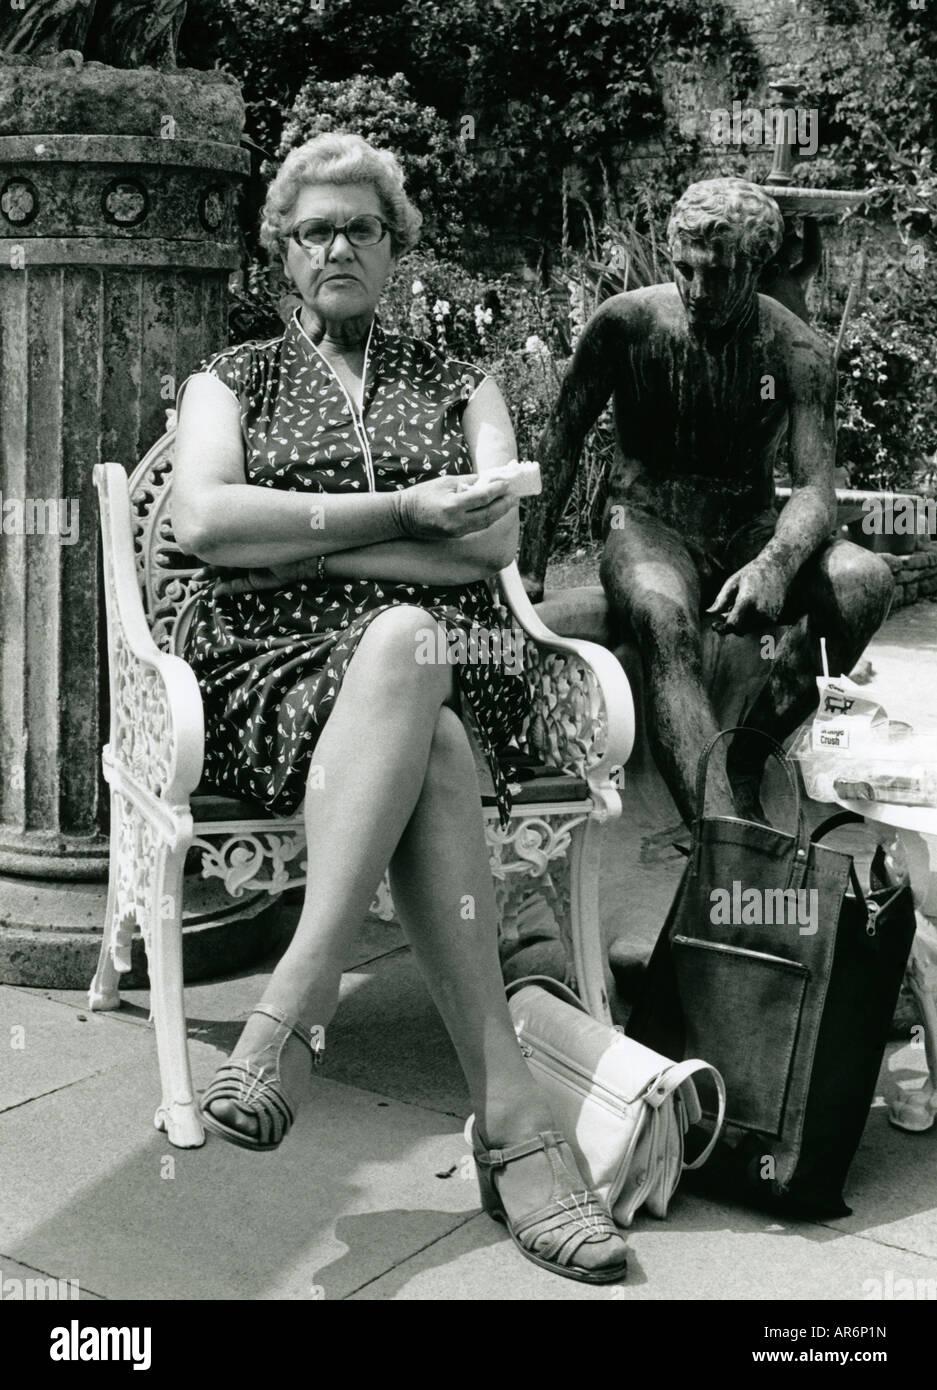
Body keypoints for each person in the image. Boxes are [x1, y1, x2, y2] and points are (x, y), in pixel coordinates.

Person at [172, 132, 628, 1285]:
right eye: (314, 229)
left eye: (360, 229)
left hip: (453, 655)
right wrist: (401, 516)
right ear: (282, 251)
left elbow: (495, 538)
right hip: (273, 673)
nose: (337, 246)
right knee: (421, 692)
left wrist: (311, 548)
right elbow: (209, 524)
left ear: (394, 250)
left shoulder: (455, 381)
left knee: (417, 649)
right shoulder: (231, 378)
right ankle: (517, 1130)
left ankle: (295, 997)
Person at [519, 177, 893, 825]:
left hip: (746, 532)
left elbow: (813, 491)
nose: (697, 291)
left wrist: (774, 564)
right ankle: (722, 842)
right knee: (666, 623)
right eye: (683, 270)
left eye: (717, 274)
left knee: (864, 582)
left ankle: (747, 758)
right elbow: (561, 440)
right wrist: (527, 566)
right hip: (645, 524)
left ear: (755, 267)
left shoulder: (799, 352)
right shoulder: (625, 325)